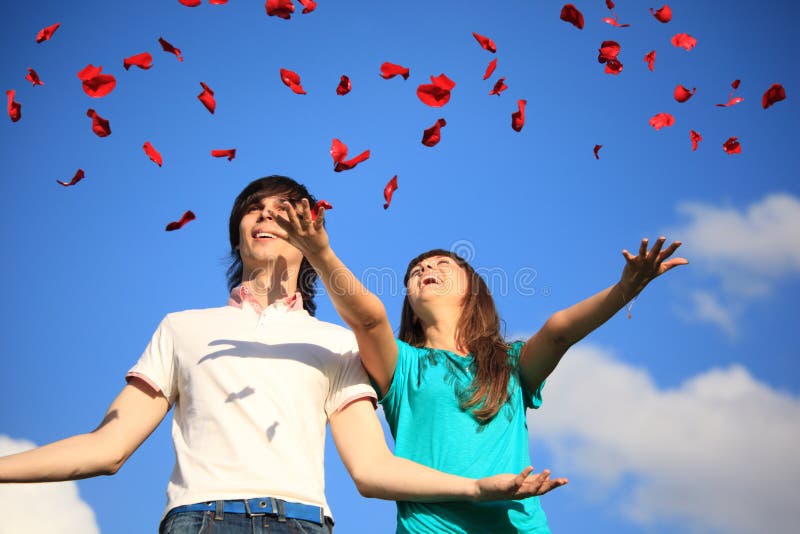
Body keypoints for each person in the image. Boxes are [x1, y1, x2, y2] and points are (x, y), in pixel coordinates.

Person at [0, 176, 566, 534]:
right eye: (255, 208)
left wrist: (475, 488)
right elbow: (105, 449)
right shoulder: (182, 327)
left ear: (309, 235)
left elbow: (372, 471)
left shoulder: (338, 343)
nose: (267, 215)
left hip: (302, 524)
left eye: (283, 209)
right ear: (237, 235)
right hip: (200, 520)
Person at [269, 197, 687, 533]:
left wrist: (625, 288)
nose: (425, 270)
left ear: (473, 290)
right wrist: (319, 251)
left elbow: (559, 331)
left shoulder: (509, 364)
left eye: (441, 265)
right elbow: (368, 318)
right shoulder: (403, 365)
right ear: (410, 304)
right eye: (415, 272)